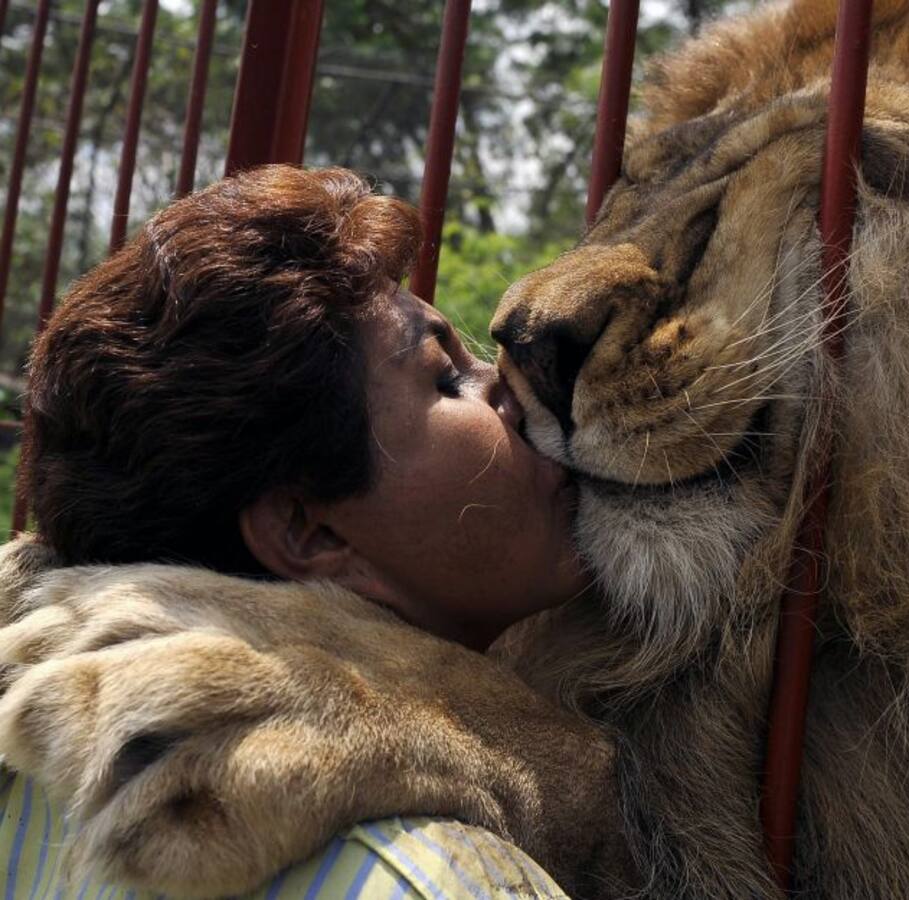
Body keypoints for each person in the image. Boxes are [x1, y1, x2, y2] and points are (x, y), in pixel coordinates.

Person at [0, 166, 628, 899]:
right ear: (305, 531)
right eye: (445, 380)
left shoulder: (32, 779)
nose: (514, 391)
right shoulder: (438, 878)